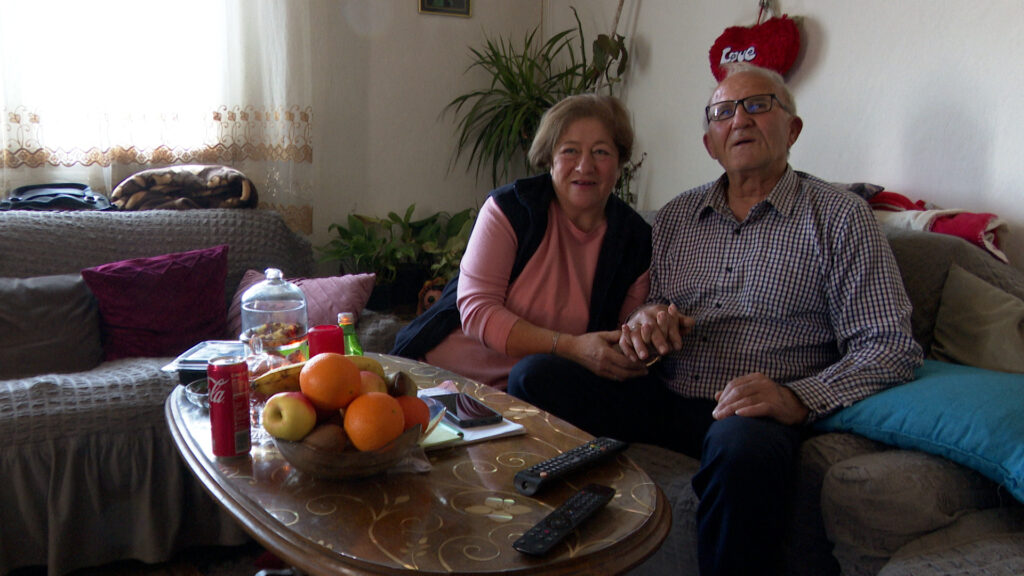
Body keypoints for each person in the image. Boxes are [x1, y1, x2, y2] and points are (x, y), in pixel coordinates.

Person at [507, 63, 924, 575]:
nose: (740, 120)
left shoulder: (839, 217)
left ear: (792, 129)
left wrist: (796, 398)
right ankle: (542, 555)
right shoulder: (677, 216)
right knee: (535, 377)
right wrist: (647, 323)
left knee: (741, 448)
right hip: (666, 393)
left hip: (752, 410)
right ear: (710, 143)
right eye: (723, 112)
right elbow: (652, 303)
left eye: (757, 105)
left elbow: (889, 345)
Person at [390, 93, 652, 390]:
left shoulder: (636, 240)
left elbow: (621, 338)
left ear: (620, 162)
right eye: (570, 151)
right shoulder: (510, 209)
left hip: (534, 395)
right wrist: (569, 346)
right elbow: (477, 310)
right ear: (549, 159)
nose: (584, 166)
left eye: (601, 152)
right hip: (439, 379)